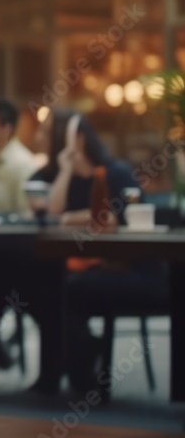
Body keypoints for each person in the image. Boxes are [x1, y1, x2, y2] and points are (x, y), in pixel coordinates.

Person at [31, 108, 166, 393]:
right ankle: (68, 375)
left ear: (75, 139)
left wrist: (69, 217)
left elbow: (110, 218)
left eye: (48, 132)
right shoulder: (61, 177)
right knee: (48, 287)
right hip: (90, 267)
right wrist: (67, 169)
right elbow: (53, 211)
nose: (38, 136)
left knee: (68, 289)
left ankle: (85, 373)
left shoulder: (112, 173)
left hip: (135, 272)